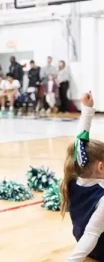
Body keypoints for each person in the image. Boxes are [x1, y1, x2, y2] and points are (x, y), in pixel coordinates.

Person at [60, 92, 104, 262]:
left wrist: (87, 110)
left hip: (89, 246)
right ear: (101, 167)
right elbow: (92, 233)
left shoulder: (73, 179)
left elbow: (79, 146)